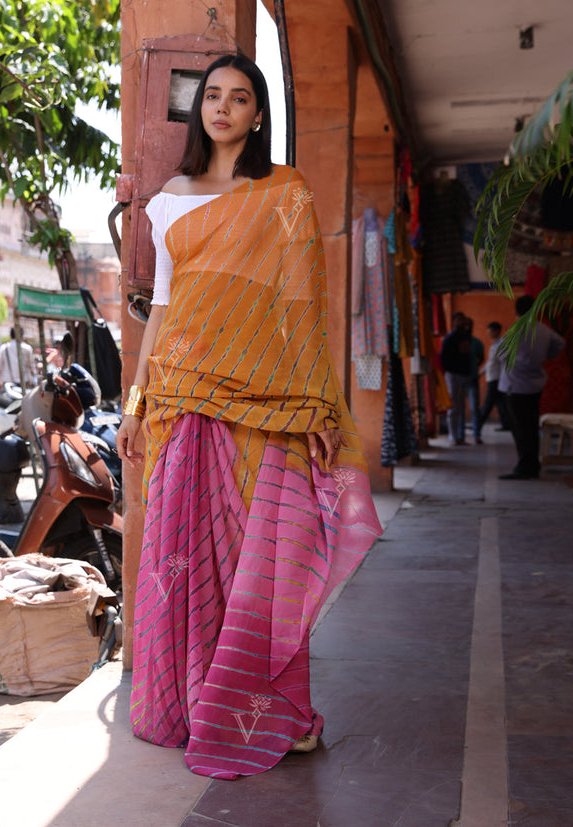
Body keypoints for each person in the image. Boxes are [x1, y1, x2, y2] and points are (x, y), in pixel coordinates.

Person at [116, 54, 382, 780]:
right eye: (213, 96)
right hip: (178, 398)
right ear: (200, 109)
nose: (224, 107)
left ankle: (260, 710)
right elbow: (162, 309)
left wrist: (318, 408)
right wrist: (137, 402)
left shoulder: (283, 193)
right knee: (181, 559)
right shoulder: (168, 198)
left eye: (240, 97)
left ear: (258, 114)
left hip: (262, 403)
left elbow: (301, 310)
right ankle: (190, 701)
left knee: (253, 566)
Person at [498, 295, 565, 480]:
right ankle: (532, 464)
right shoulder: (543, 329)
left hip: (515, 385)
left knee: (520, 428)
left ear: (517, 311)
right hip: (535, 383)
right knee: (530, 426)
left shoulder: (516, 329)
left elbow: (501, 353)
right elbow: (560, 343)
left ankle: (525, 466)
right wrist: (545, 357)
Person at [440, 311, 471, 444]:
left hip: (464, 375)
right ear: (453, 322)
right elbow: (443, 358)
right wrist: (448, 372)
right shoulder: (449, 338)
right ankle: (452, 436)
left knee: (460, 407)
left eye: (462, 320)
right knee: (453, 406)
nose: (461, 322)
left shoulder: (466, 337)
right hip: (453, 375)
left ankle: (460, 436)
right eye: (458, 320)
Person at [478, 321, 509, 434]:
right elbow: (490, 362)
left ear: (496, 331)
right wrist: (481, 372)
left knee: (489, 402)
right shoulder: (494, 344)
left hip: (497, 378)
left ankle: (479, 423)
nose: (489, 333)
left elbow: (503, 362)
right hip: (492, 377)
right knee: (501, 403)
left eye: (490, 331)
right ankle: (506, 423)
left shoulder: (501, 344)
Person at [458, 316, 484, 444]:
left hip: (472, 378)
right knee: (460, 409)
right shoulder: (457, 342)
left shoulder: (476, 342)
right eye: (465, 325)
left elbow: (481, 357)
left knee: (474, 408)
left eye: (470, 325)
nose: (468, 328)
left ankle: (476, 435)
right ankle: (460, 436)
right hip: (460, 378)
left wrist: (474, 366)